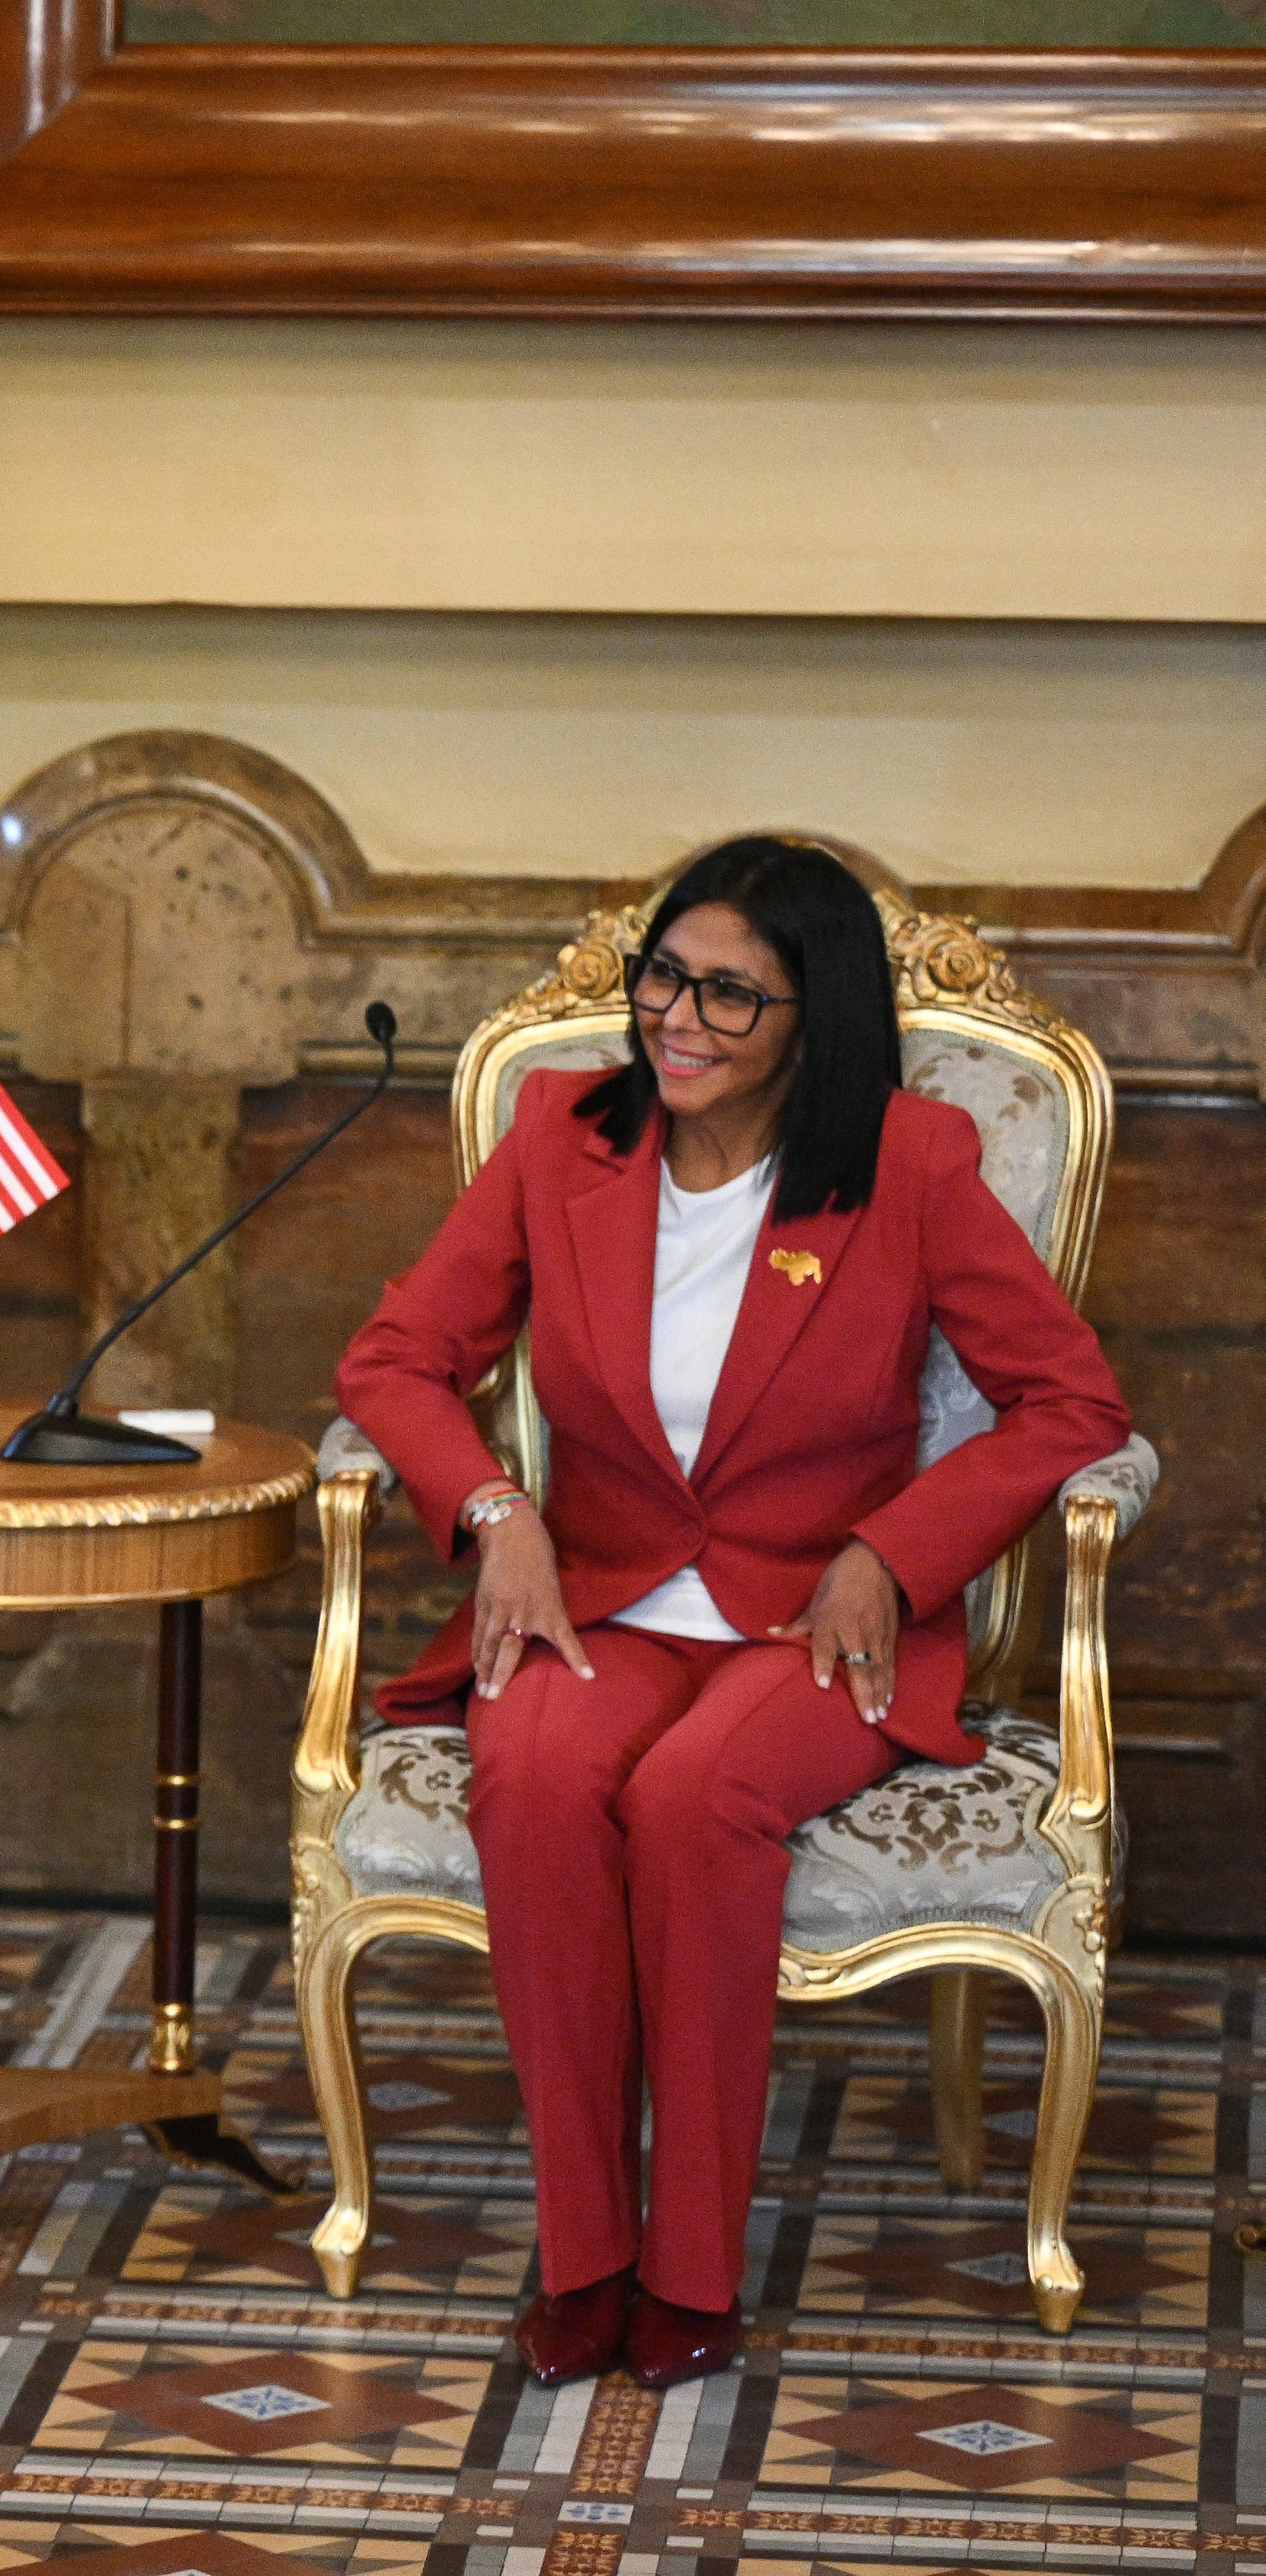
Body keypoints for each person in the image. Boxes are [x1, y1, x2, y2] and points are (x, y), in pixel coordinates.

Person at [337, 836, 1129, 2392]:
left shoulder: (910, 1163)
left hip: (816, 1619)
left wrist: (893, 1557)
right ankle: (587, 2252)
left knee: (698, 1797)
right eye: (661, 975)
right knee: (537, 1774)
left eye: (725, 994)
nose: (672, 1019)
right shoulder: (561, 1139)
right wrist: (497, 1514)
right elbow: (391, 1360)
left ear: (810, 1015)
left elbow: (1067, 1400)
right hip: (608, 1593)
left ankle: (689, 2268)